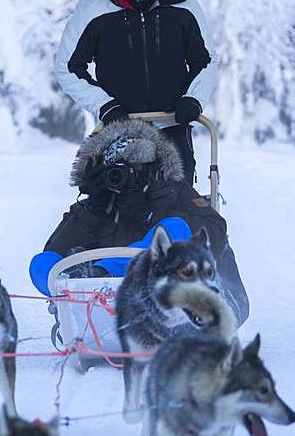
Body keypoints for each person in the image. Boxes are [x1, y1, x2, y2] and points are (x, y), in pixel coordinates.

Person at [29, 118, 249, 326]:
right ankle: (84, 291)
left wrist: (151, 206)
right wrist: (95, 208)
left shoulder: (173, 192)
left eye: (133, 168)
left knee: (174, 228)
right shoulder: (97, 205)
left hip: (177, 296)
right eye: (116, 170)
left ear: (150, 168)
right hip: (99, 307)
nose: (123, 176)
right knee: (41, 263)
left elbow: (215, 233)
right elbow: (54, 252)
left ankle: (103, 278)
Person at [54, 0, 217, 186]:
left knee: (176, 205)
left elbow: (206, 61)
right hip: (120, 129)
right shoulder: (93, 11)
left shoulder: (183, 6)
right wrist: (105, 105)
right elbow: (68, 68)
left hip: (172, 128)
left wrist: (193, 99)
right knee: (118, 210)